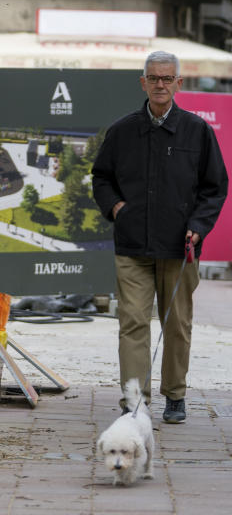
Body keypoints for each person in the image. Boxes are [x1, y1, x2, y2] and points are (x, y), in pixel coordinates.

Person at [92, 50, 228, 424]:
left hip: (180, 248)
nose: (160, 85)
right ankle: (135, 399)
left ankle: (175, 396)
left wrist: (198, 226)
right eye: (154, 78)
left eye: (168, 79)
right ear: (143, 82)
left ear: (178, 83)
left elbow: (215, 187)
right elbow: (101, 177)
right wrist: (116, 208)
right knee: (132, 322)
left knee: (177, 324)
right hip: (132, 246)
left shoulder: (197, 131)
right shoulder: (122, 130)